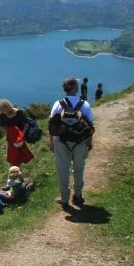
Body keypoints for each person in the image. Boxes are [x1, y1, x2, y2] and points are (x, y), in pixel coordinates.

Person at [49, 77, 95, 209]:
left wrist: (51, 143)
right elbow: (90, 126)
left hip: (61, 142)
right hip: (80, 142)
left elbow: (51, 126)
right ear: (75, 88)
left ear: (65, 89)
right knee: (79, 169)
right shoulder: (84, 105)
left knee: (63, 170)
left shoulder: (58, 104)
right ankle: (78, 195)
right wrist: (89, 142)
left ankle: (64, 199)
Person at [0, 99, 34, 166]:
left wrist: (22, 134)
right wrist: (8, 132)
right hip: (10, 139)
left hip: (20, 137)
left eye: (3, 111)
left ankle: (18, 173)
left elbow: (26, 123)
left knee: (21, 155)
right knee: (12, 158)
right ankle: (16, 172)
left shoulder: (19, 112)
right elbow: (2, 126)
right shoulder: (2, 115)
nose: (2, 112)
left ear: (7, 108)